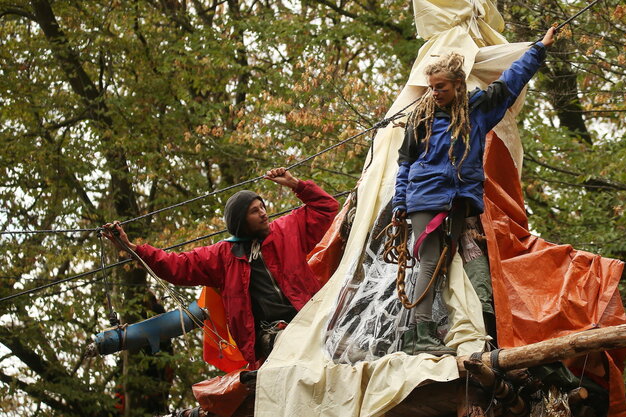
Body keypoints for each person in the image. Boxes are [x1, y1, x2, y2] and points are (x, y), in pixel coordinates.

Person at [392, 27, 557, 356]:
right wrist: (400, 202)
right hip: (425, 197)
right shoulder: (420, 119)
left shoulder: (477, 111)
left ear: (457, 85)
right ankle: (418, 333)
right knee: (428, 262)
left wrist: (539, 49)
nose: (434, 92)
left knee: (440, 265)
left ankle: (425, 330)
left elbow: (510, 82)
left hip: (456, 202)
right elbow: (405, 162)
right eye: (431, 87)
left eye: (440, 87)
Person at [103, 167, 339, 368]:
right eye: (254, 211)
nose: (264, 213)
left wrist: (295, 184)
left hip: (310, 320)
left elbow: (327, 207)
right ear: (240, 221)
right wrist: (132, 248)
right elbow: (175, 265)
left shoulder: (287, 229)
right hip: (271, 338)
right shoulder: (221, 257)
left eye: (263, 207)